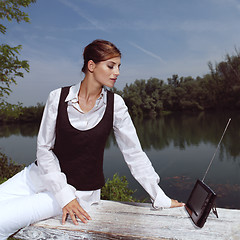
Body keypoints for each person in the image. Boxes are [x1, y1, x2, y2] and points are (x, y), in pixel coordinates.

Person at [0, 39, 184, 239]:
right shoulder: (57, 97)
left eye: (119, 66)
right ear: (91, 66)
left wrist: (159, 196)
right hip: (36, 177)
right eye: (111, 66)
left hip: (77, 192)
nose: (117, 73)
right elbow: (44, 148)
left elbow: (134, 153)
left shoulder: (116, 105)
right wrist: (62, 193)